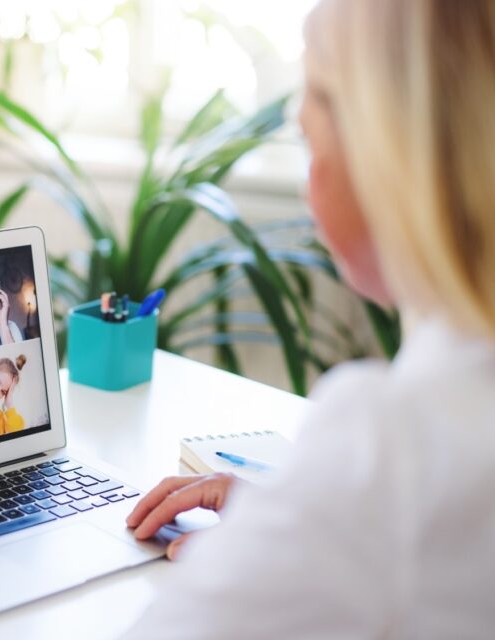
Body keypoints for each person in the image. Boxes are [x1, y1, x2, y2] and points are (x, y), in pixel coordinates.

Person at [123, 1, 495, 636]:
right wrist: (294, 520)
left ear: (383, 151)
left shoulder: (390, 444)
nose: (307, 182)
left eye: (307, 137)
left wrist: (288, 538)